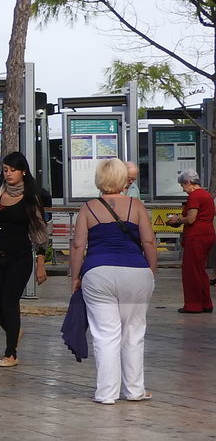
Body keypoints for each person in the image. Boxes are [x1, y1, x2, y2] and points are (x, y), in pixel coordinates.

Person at [69, 158, 157, 404]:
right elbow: (149, 242)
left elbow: (78, 246)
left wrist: (76, 277)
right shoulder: (136, 206)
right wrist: (151, 269)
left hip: (99, 273)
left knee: (106, 334)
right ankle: (135, 390)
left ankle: (106, 393)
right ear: (122, 179)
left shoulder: (88, 208)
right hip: (136, 273)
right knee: (134, 332)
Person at [0, 151, 49, 368]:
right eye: (5, 170)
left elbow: (39, 233)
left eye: (12, 170)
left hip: (19, 258)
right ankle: (14, 331)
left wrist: (40, 264)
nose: (8, 174)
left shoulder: (31, 197)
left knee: (9, 303)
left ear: (23, 172)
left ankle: (11, 353)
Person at [165, 168, 215, 313]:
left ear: (188, 182)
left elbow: (191, 218)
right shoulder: (207, 195)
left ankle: (193, 305)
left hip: (196, 237)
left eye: (182, 186)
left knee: (191, 272)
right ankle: (206, 303)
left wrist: (177, 220)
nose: (183, 189)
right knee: (201, 271)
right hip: (208, 234)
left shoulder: (195, 196)